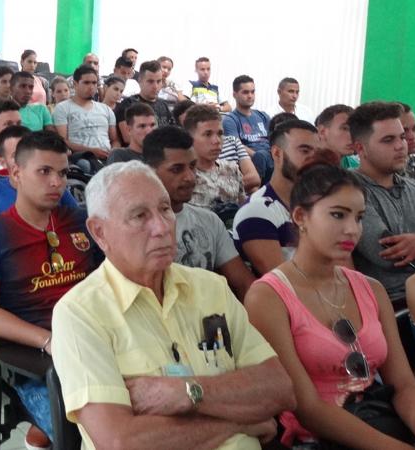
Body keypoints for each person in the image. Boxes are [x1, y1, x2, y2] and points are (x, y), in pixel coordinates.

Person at [51, 160, 295, 449]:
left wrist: (185, 393)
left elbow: (279, 389)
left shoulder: (210, 287)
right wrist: (242, 420)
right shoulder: (80, 313)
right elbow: (121, 442)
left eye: (165, 209)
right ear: (99, 232)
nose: (162, 227)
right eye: (139, 216)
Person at [245, 163, 415, 449]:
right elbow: (307, 407)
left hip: (381, 418)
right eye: (337, 215)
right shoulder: (268, 296)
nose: (352, 229)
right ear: (300, 217)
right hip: (319, 438)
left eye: (359, 218)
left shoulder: (371, 288)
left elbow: (405, 385)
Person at [0, 130, 101, 449]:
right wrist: (49, 341)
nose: (57, 182)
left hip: (96, 341)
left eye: (63, 173)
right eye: (44, 171)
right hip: (33, 356)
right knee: (93, 432)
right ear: (15, 174)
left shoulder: (80, 222)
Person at [143, 125, 255, 300]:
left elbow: (243, 283)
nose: (190, 177)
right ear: (149, 173)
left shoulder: (209, 220)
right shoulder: (137, 230)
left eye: (192, 167)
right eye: (176, 169)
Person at [348, 101, 415, 306]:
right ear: (361, 148)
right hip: (392, 304)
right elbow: (388, 254)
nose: (400, 146)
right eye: (388, 140)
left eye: (402, 137)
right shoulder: (347, 190)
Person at [232, 119, 320, 276]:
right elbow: (285, 283)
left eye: (317, 153)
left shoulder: (320, 205)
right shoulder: (257, 211)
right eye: (305, 151)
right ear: (277, 153)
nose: (314, 160)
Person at [0, 125, 78, 221]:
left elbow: (79, 225)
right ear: (2, 162)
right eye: (16, 154)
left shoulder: (54, 186)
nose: (22, 159)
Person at [184, 105, 247, 211]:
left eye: (220, 133)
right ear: (190, 138)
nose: (217, 141)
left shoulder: (232, 169)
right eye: (208, 134)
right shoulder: (184, 177)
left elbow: (243, 210)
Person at [53, 65, 120, 159]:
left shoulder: (106, 110)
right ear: (75, 84)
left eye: (94, 83)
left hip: (107, 158)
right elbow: (63, 141)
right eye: (86, 83)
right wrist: (91, 151)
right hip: (80, 158)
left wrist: (113, 152)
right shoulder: (62, 108)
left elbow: (115, 140)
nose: (91, 87)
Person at [223, 75, 273, 181]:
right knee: (262, 156)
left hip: (271, 156)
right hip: (250, 160)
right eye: (245, 92)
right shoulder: (230, 119)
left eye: (252, 92)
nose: (250, 96)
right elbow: (236, 145)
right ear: (234, 95)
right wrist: (258, 156)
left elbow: (274, 139)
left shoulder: (263, 116)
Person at [114, 60, 175, 145]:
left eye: (159, 81)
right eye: (150, 81)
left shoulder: (164, 105)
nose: (155, 86)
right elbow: (128, 138)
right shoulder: (128, 105)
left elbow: (172, 134)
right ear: (140, 81)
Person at [315, 104, 358, 169]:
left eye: (355, 129)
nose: (353, 135)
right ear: (322, 132)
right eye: (345, 128)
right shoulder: (305, 165)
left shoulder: (356, 165)